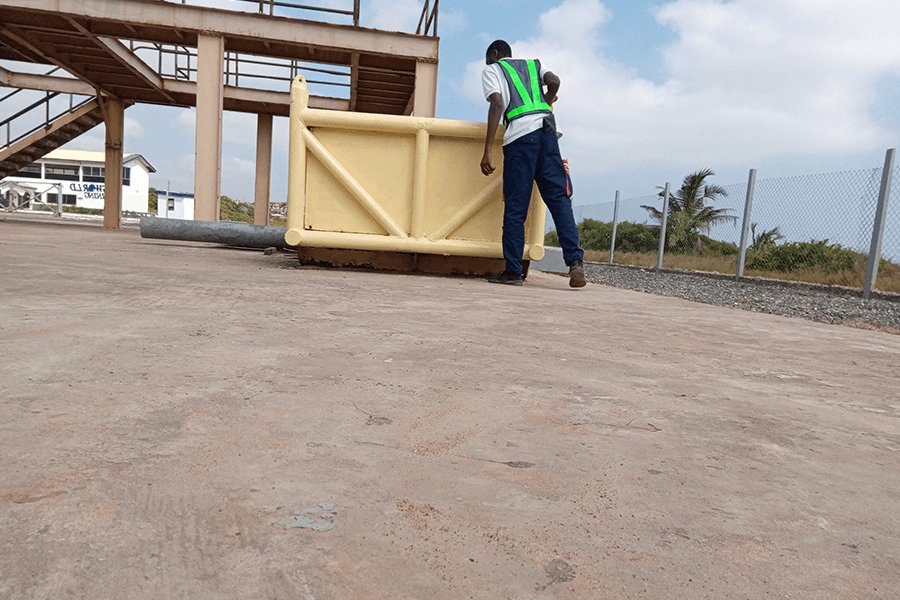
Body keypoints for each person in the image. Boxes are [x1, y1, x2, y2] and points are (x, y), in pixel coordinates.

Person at [480, 39, 585, 288]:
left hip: (520, 137)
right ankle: (576, 264)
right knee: (559, 199)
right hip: (548, 131)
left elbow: (496, 103)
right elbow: (555, 81)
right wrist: (548, 98)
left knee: (517, 205)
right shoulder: (534, 64)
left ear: (495, 54)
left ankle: (513, 271)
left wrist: (487, 151)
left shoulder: (493, 70)